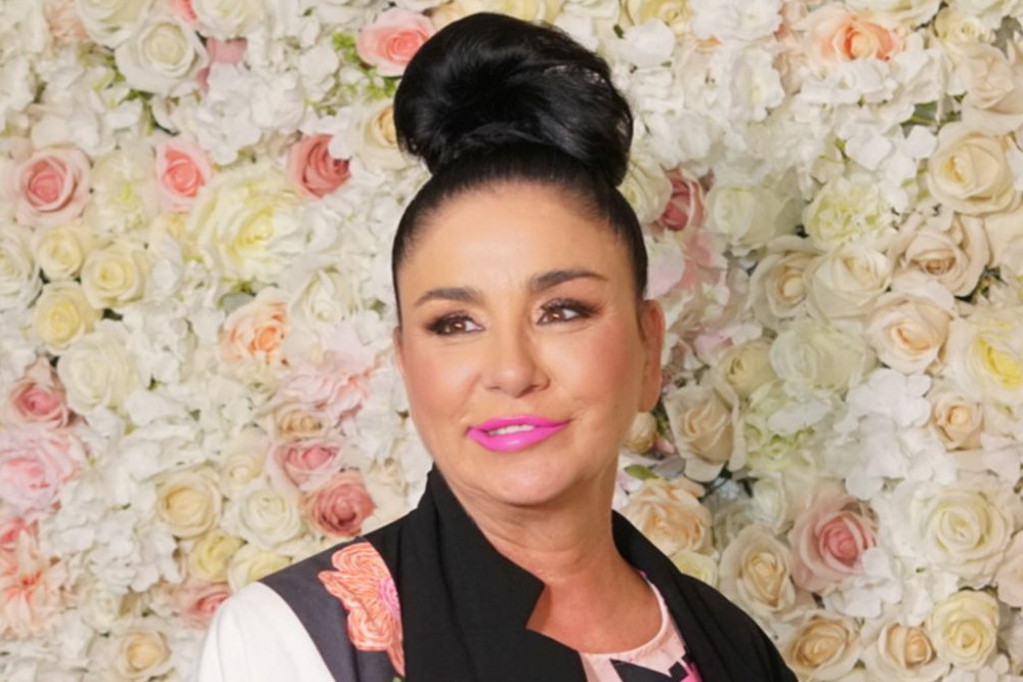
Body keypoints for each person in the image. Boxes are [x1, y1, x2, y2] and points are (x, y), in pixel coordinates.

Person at [192, 12, 798, 682]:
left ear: (648, 350)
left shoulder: (730, 646)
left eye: (561, 311)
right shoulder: (295, 640)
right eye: (455, 323)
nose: (511, 371)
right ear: (406, 364)